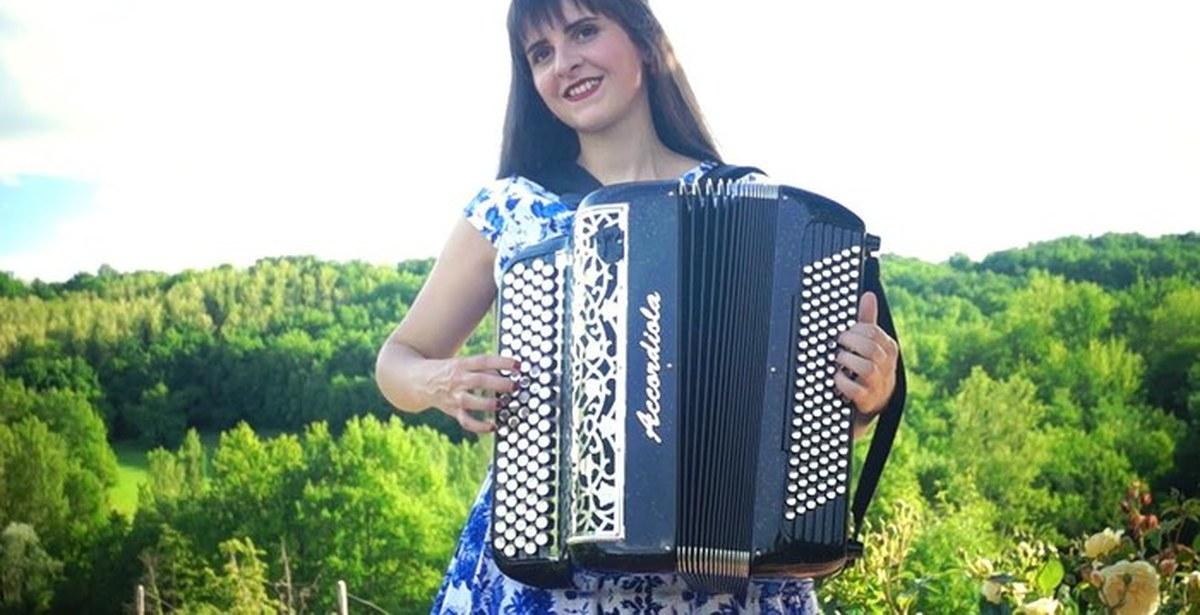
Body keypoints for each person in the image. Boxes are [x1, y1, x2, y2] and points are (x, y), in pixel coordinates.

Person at [374, 0, 901, 612]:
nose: (563, 63)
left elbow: (807, 420)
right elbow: (397, 360)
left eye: (584, 32)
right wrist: (440, 381)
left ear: (646, 41)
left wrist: (869, 392)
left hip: (725, 587)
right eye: (540, 53)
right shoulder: (511, 209)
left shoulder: (757, 206)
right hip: (550, 581)